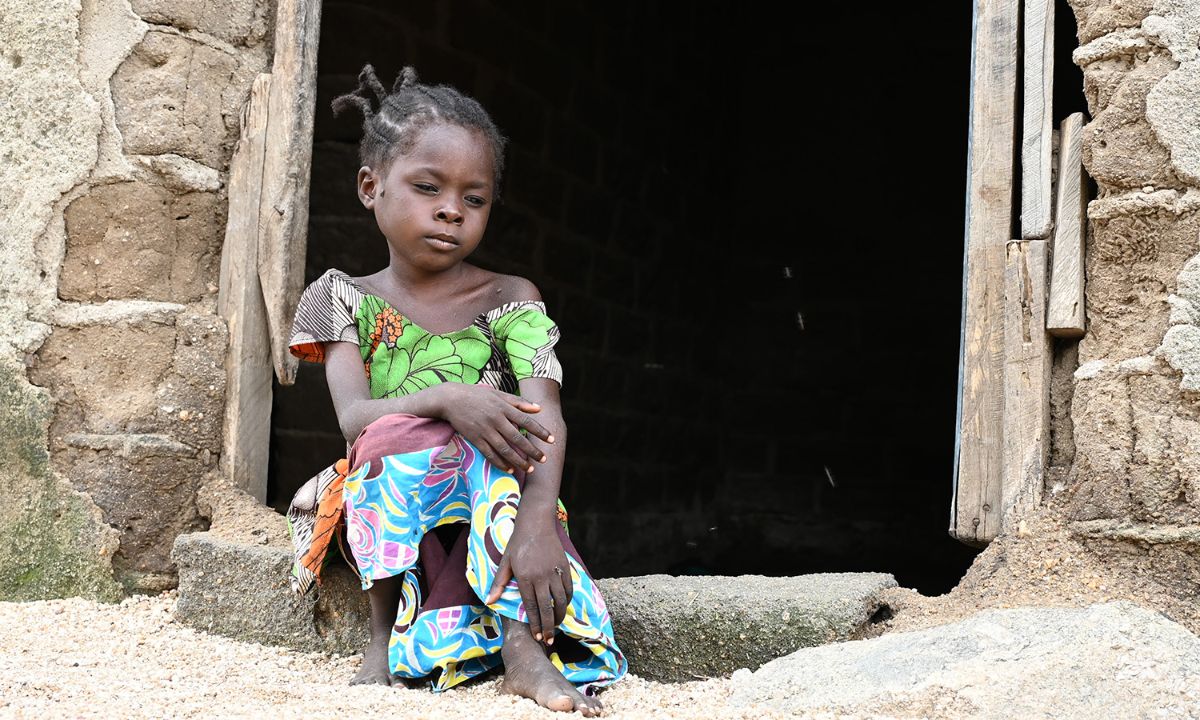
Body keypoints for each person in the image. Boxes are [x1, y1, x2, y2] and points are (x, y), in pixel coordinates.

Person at [283, 64, 625, 716]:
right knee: (397, 431)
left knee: (500, 433)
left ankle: (524, 653)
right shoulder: (340, 298)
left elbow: (545, 416)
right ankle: (383, 639)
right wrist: (447, 398)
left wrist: (535, 524)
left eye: (475, 199)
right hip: (389, 488)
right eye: (428, 187)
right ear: (369, 186)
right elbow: (354, 418)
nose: (450, 210)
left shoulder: (511, 298)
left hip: (497, 491)